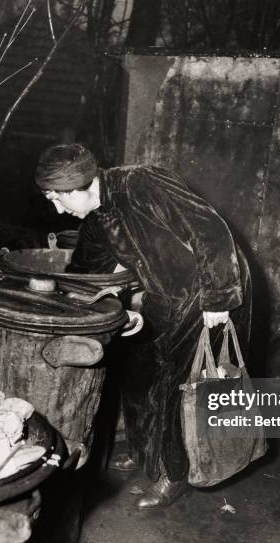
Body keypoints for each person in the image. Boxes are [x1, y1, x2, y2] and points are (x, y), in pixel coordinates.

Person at [35, 143, 252, 509]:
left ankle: (177, 473)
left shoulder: (141, 183)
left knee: (182, 386)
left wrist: (219, 297)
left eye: (59, 199)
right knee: (142, 373)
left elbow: (210, 230)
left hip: (208, 289)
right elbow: (86, 274)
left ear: (81, 187)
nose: (59, 210)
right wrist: (59, 305)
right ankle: (146, 453)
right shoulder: (96, 222)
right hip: (163, 294)